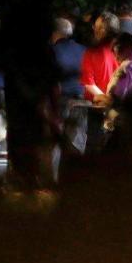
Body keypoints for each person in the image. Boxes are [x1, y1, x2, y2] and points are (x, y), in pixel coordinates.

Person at [49, 18, 89, 177]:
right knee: (77, 143)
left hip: (60, 101)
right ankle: (77, 181)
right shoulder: (85, 50)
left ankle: (53, 180)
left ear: (54, 34)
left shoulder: (51, 51)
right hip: (80, 101)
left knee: (54, 144)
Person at [80, 11, 120, 153]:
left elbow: (88, 83)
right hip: (118, 108)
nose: (94, 30)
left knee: (94, 150)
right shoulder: (121, 51)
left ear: (102, 31)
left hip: (97, 108)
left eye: (96, 27)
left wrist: (105, 100)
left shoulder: (91, 52)